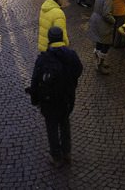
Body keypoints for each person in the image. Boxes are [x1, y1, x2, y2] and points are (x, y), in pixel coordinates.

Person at [27, 26, 83, 168]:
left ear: (49, 39)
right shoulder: (71, 55)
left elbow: (35, 80)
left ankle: (56, 156)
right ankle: (67, 153)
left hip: (48, 100)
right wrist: (71, 83)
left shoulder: (43, 58)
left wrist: (35, 98)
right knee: (64, 124)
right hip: (66, 98)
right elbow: (79, 70)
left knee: (51, 127)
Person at [88, 0, 120, 74]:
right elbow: (106, 14)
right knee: (106, 44)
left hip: (96, 20)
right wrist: (114, 21)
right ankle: (100, 64)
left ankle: (98, 61)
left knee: (99, 42)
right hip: (103, 24)